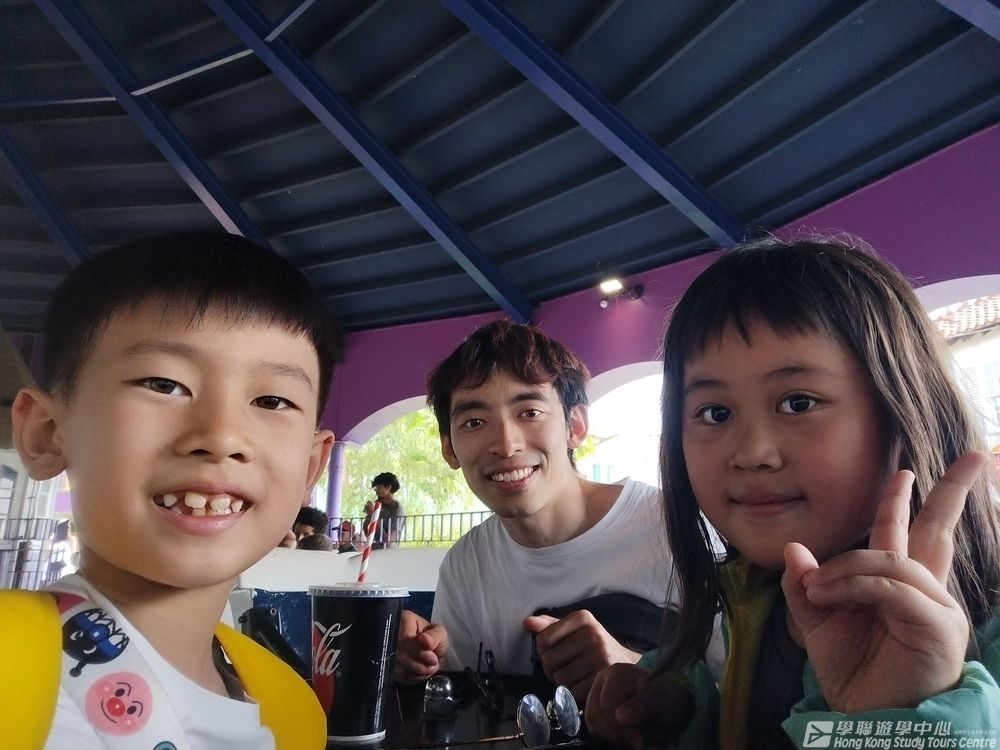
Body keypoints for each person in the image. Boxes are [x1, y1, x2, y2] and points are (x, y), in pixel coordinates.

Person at [584, 236, 1000, 749]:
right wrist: (679, 704)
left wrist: (902, 717)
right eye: (715, 413)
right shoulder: (755, 591)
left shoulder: (989, 619)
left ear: (905, 409)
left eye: (798, 403)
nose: (752, 453)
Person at [8, 231, 343, 749]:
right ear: (48, 432)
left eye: (272, 401)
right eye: (164, 384)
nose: (222, 437)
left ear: (310, 467)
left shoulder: (297, 711)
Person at [394, 320, 682, 700]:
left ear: (575, 426)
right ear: (449, 450)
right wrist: (416, 663)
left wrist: (633, 668)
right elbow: (463, 706)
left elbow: (743, 703)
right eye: (474, 422)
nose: (506, 444)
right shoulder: (467, 565)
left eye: (529, 412)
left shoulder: (674, 529)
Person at [365, 472, 405, 549]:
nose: (376, 492)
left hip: (388, 553)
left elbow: (389, 542)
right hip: (375, 551)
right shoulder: (378, 507)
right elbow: (366, 531)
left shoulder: (397, 509)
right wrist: (368, 518)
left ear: (388, 487)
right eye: (375, 489)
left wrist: (374, 517)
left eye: (379, 487)